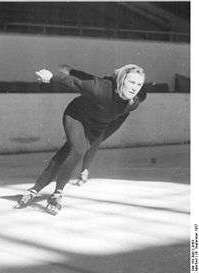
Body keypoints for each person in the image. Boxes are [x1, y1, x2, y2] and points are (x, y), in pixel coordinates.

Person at [18, 64, 146, 214]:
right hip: (77, 116)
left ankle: (34, 189)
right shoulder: (102, 89)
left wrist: (85, 167)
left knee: (68, 152)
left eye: (139, 84)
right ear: (121, 80)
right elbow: (79, 82)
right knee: (78, 149)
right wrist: (53, 77)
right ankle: (57, 193)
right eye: (131, 82)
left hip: (98, 125)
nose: (135, 88)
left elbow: (101, 137)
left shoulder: (136, 100)